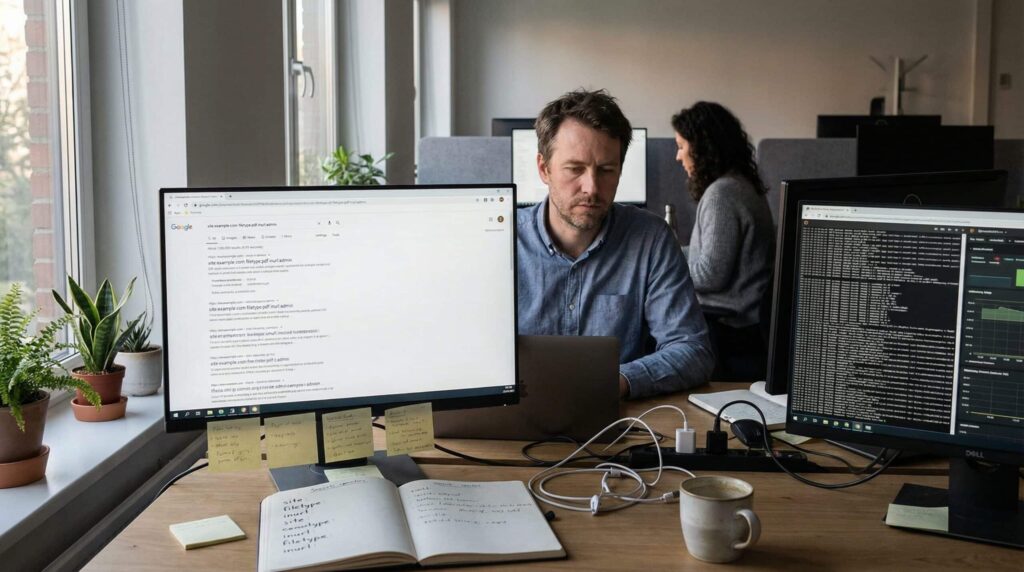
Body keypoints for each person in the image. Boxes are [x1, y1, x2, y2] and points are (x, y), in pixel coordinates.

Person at [517, 89, 714, 399]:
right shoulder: (503, 242)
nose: (592, 188)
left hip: (615, 417)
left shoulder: (650, 239)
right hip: (515, 417)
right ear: (544, 169)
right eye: (575, 169)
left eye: (607, 170)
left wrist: (618, 381)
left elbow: (692, 350)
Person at [671, 101, 775, 381]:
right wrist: (668, 253)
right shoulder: (741, 184)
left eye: (681, 146)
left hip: (730, 330)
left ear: (702, 147)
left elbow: (710, 276)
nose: (678, 157)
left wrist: (665, 270)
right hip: (746, 325)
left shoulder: (722, 195)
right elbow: (709, 254)